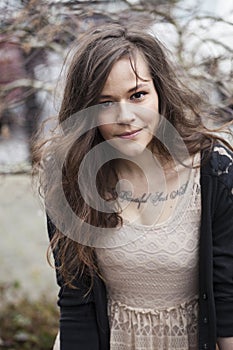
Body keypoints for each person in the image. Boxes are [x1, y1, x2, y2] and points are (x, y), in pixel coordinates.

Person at [33, 23, 233, 350]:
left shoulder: (214, 172)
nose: (125, 116)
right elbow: (76, 301)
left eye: (137, 95)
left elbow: (227, 301)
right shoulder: (69, 176)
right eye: (105, 102)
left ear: (160, 92)